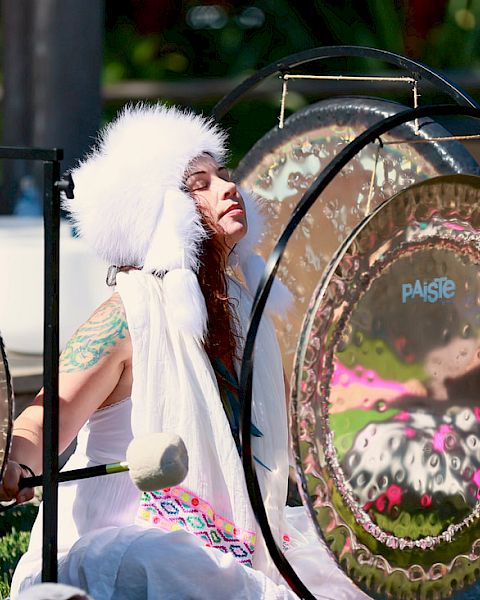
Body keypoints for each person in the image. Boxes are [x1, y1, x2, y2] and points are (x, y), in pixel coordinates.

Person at [2, 103, 369, 599]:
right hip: (107, 555)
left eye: (221, 175)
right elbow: (43, 420)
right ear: (158, 212)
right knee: (171, 560)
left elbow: (293, 439)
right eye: (199, 184)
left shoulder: (246, 316)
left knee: (336, 563)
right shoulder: (128, 313)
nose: (228, 187)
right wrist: (17, 464)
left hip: (226, 550)